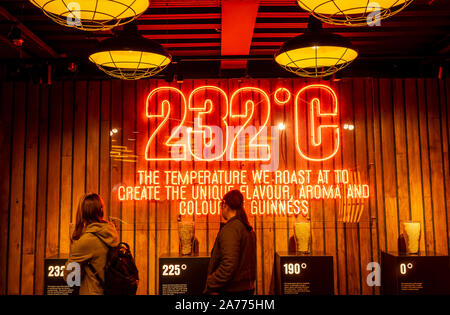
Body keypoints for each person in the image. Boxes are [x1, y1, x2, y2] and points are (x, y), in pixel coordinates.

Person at [63, 193, 119, 295]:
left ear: (83, 212)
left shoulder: (87, 240)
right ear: (101, 210)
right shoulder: (110, 231)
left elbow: (69, 278)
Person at [203, 189, 257, 295]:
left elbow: (229, 264)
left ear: (225, 205)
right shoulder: (246, 228)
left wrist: (211, 282)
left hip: (230, 290)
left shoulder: (232, 229)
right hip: (245, 289)